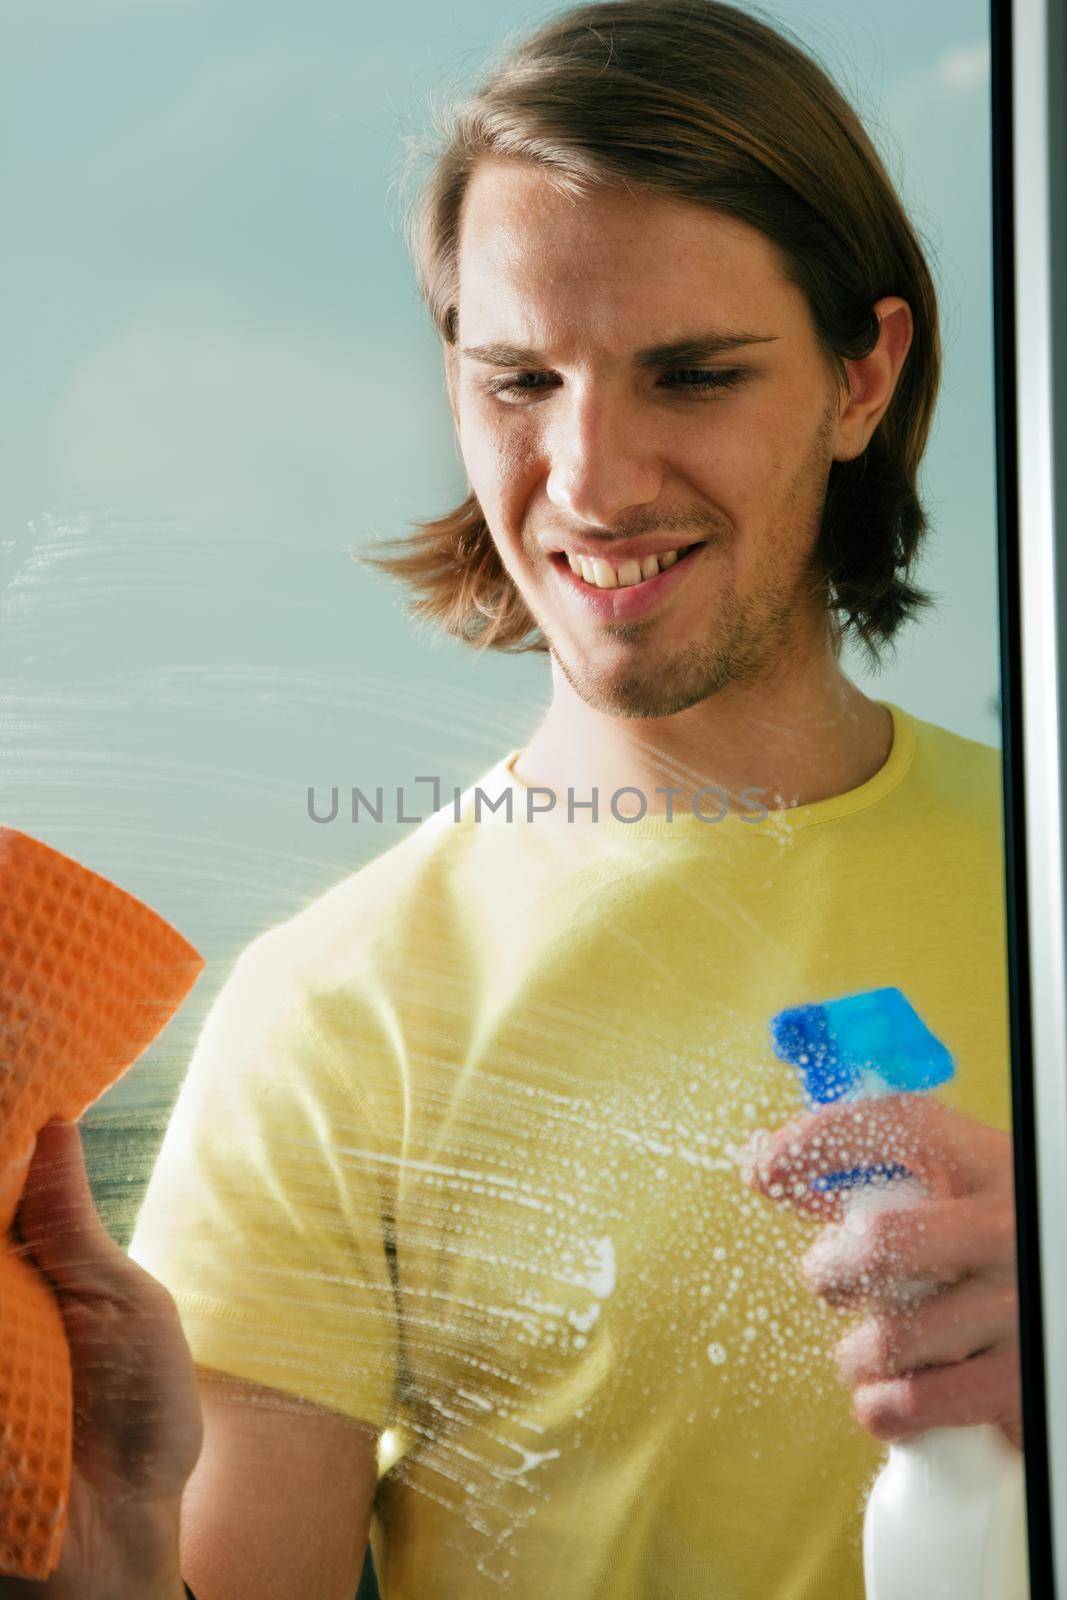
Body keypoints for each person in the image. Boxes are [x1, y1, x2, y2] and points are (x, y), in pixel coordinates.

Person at [14, 1, 1020, 1596]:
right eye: (522, 379)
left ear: (861, 376)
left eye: (691, 375)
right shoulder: (337, 1018)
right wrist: (108, 1555)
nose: (594, 476)